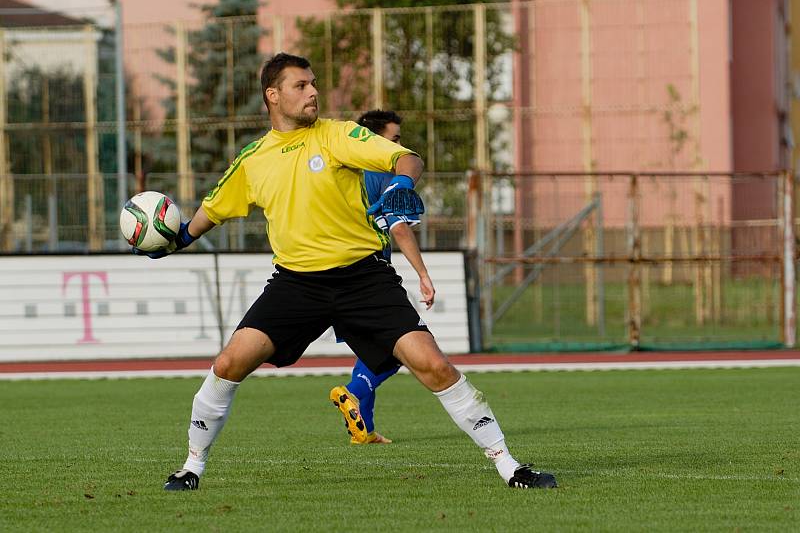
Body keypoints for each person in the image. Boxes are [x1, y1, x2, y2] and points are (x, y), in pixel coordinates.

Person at [139, 52, 556, 491]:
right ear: (273, 95)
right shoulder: (252, 160)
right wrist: (176, 240)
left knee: (433, 366)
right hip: (296, 284)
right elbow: (211, 211)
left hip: (364, 279)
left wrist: (401, 183)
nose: (313, 91)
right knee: (228, 363)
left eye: (313, 82)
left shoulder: (337, 136)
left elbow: (407, 158)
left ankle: (510, 465)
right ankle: (191, 467)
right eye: (301, 85)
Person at [329, 109, 433, 446]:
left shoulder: (341, 169)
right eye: (395, 139)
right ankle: (355, 392)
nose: (400, 146)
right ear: (375, 140)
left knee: (370, 349)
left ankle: (365, 430)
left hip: (332, 270)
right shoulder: (381, 170)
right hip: (370, 274)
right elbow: (398, 226)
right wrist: (422, 273)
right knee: (405, 349)